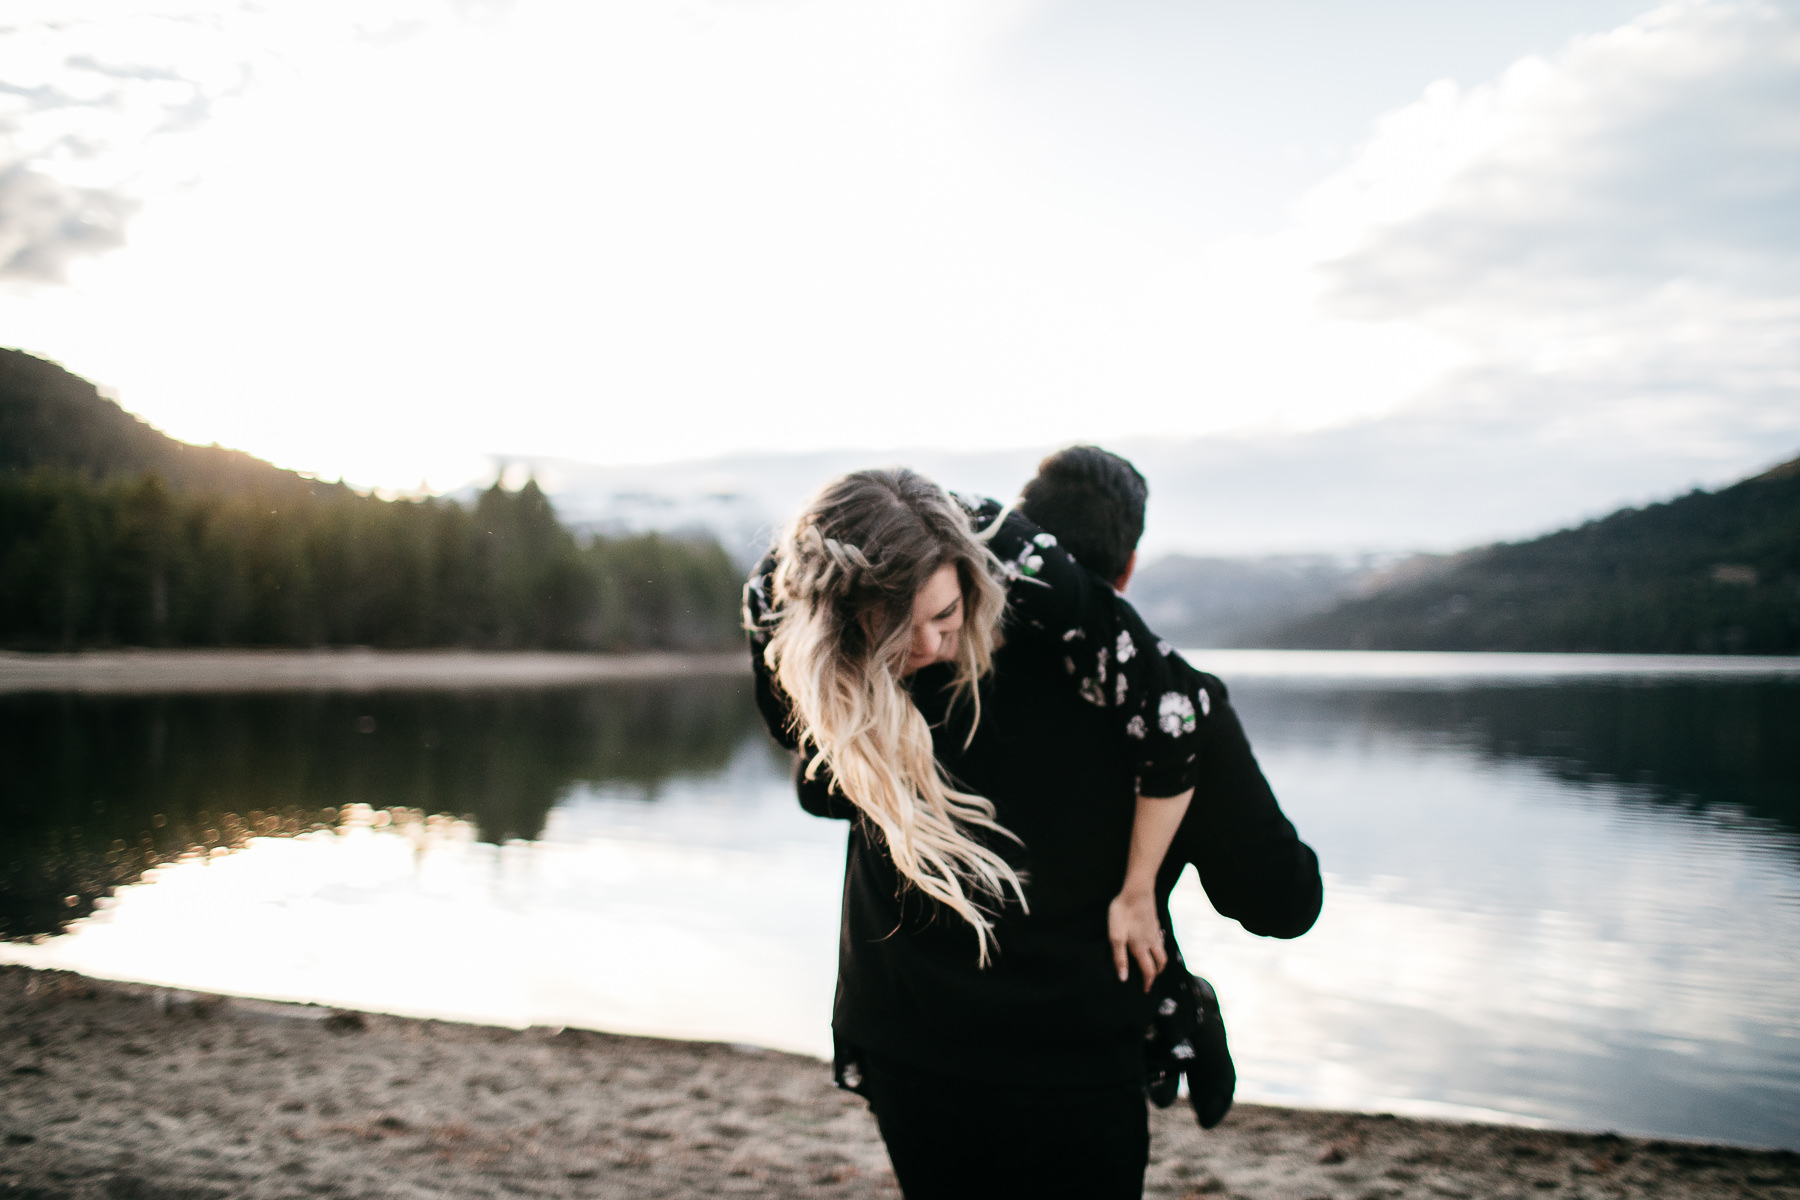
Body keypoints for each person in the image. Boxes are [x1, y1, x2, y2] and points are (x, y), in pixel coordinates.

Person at [744, 468, 1212, 1200]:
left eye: (946, 616)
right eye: (899, 632)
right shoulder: (779, 594)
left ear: (969, 578)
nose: (933, 645)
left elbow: (1175, 715)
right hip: (904, 1018)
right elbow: (805, 748)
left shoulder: (1027, 567)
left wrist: (1139, 890)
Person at [1018, 445, 1324, 1124]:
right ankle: (1181, 999)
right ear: (1126, 570)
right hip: (1085, 1043)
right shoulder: (1173, 704)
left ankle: (1180, 997)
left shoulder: (923, 672)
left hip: (912, 1033)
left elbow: (820, 792)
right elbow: (1282, 902)